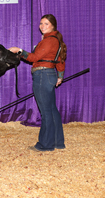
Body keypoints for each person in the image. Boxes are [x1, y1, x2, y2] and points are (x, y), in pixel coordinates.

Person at [9, 14, 67, 151]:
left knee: (46, 112)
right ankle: (58, 142)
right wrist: (59, 76)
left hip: (42, 75)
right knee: (52, 110)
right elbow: (59, 60)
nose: (42, 26)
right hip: (49, 75)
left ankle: (45, 145)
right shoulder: (53, 39)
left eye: (46, 24)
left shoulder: (49, 40)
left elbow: (34, 57)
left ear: (52, 25)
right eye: (41, 23)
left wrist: (19, 50)